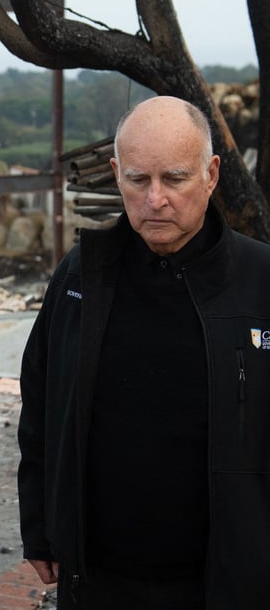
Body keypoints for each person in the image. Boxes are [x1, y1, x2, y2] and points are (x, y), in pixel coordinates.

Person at [18, 95, 270, 609]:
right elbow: (41, 404)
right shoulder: (81, 277)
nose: (155, 200)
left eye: (174, 179)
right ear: (115, 174)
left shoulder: (260, 283)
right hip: (101, 579)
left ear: (212, 174)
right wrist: (42, 527)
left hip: (224, 580)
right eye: (138, 180)